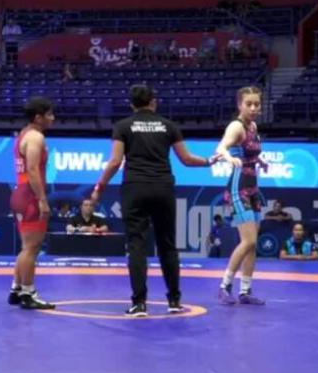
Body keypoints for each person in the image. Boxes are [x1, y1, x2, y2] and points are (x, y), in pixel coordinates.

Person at [92, 84, 217, 317]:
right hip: (163, 188)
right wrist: (209, 161)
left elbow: (115, 162)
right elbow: (187, 159)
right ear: (153, 102)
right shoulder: (168, 125)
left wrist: (100, 187)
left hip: (135, 188)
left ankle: (139, 304)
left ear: (131, 104)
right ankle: (174, 301)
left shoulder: (123, 126)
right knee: (167, 244)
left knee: (137, 245)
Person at [215, 86, 268, 305]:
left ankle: (245, 291)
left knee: (253, 245)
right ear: (240, 105)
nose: (254, 108)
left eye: (257, 104)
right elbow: (221, 147)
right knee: (248, 241)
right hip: (238, 189)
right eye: (249, 104)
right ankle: (224, 286)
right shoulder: (236, 126)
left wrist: (260, 161)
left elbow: (251, 153)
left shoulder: (253, 126)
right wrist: (228, 157)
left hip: (253, 189)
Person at [7, 97, 57, 310]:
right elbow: (33, 169)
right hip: (30, 196)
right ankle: (29, 293)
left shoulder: (24, 134)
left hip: (21, 193)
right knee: (32, 248)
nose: (53, 118)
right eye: (49, 114)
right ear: (38, 117)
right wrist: (42, 200)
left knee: (26, 248)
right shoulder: (36, 137)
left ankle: (17, 289)